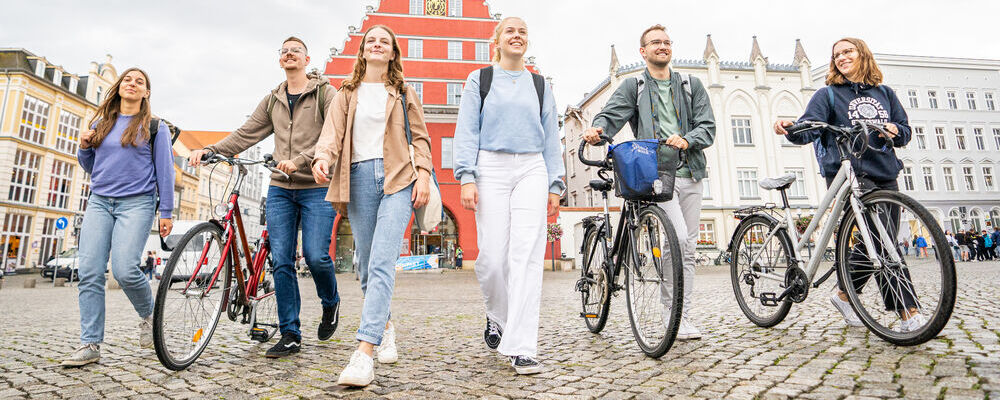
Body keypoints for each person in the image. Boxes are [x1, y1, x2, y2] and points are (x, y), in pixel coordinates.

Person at [189, 37, 341, 358]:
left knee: (315, 256)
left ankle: (331, 302)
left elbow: (335, 134)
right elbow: (247, 133)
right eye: (284, 51)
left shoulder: (326, 93)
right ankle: (291, 333)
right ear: (280, 60)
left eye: (295, 50)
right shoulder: (273, 99)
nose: (289, 54)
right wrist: (212, 151)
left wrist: (300, 160)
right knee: (282, 261)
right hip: (280, 189)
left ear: (306, 58)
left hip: (316, 186)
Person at [774, 37, 924, 332]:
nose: (841, 57)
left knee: (880, 242)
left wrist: (896, 129)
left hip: (884, 171)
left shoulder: (886, 94)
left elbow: (905, 133)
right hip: (849, 173)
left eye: (847, 52)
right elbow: (809, 128)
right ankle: (909, 313)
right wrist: (790, 128)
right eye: (837, 55)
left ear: (862, 55)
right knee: (882, 241)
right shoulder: (828, 94)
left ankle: (844, 295)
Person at [312, 24, 432, 387]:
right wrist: (322, 158)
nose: (377, 45)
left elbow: (421, 137)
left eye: (385, 41)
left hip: (399, 177)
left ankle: (364, 352)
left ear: (393, 53)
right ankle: (386, 324)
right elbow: (331, 135)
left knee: (382, 260)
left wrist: (423, 174)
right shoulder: (346, 93)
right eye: (371, 41)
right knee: (365, 266)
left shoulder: (404, 92)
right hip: (359, 177)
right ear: (363, 51)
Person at [582, 24, 717, 340]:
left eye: (667, 42)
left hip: (691, 172)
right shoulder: (635, 87)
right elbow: (610, 116)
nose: (663, 46)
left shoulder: (691, 85)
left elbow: (708, 128)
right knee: (678, 239)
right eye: (655, 42)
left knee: (687, 247)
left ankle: (678, 315)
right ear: (643, 51)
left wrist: (686, 139)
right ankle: (673, 316)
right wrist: (598, 130)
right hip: (655, 175)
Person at [454, 16, 564, 375]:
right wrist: (466, 176)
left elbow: (550, 137)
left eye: (522, 32)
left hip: (532, 166)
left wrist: (555, 183)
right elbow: (467, 129)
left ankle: (521, 346)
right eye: (510, 32)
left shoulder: (540, 85)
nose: (517, 36)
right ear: (497, 42)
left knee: (527, 255)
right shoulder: (479, 79)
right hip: (491, 167)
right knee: (492, 258)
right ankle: (497, 316)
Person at [62, 68, 175, 367]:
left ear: (146, 93)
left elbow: (165, 171)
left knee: (124, 269)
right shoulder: (101, 122)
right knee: (88, 271)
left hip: (137, 203)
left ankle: (149, 315)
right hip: (99, 201)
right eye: (128, 79)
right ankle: (90, 344)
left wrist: (166, 212)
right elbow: (91, 165)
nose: (133, 84)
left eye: (140, 82)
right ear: (119, 86)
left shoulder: (154, 127)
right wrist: (84, 147)